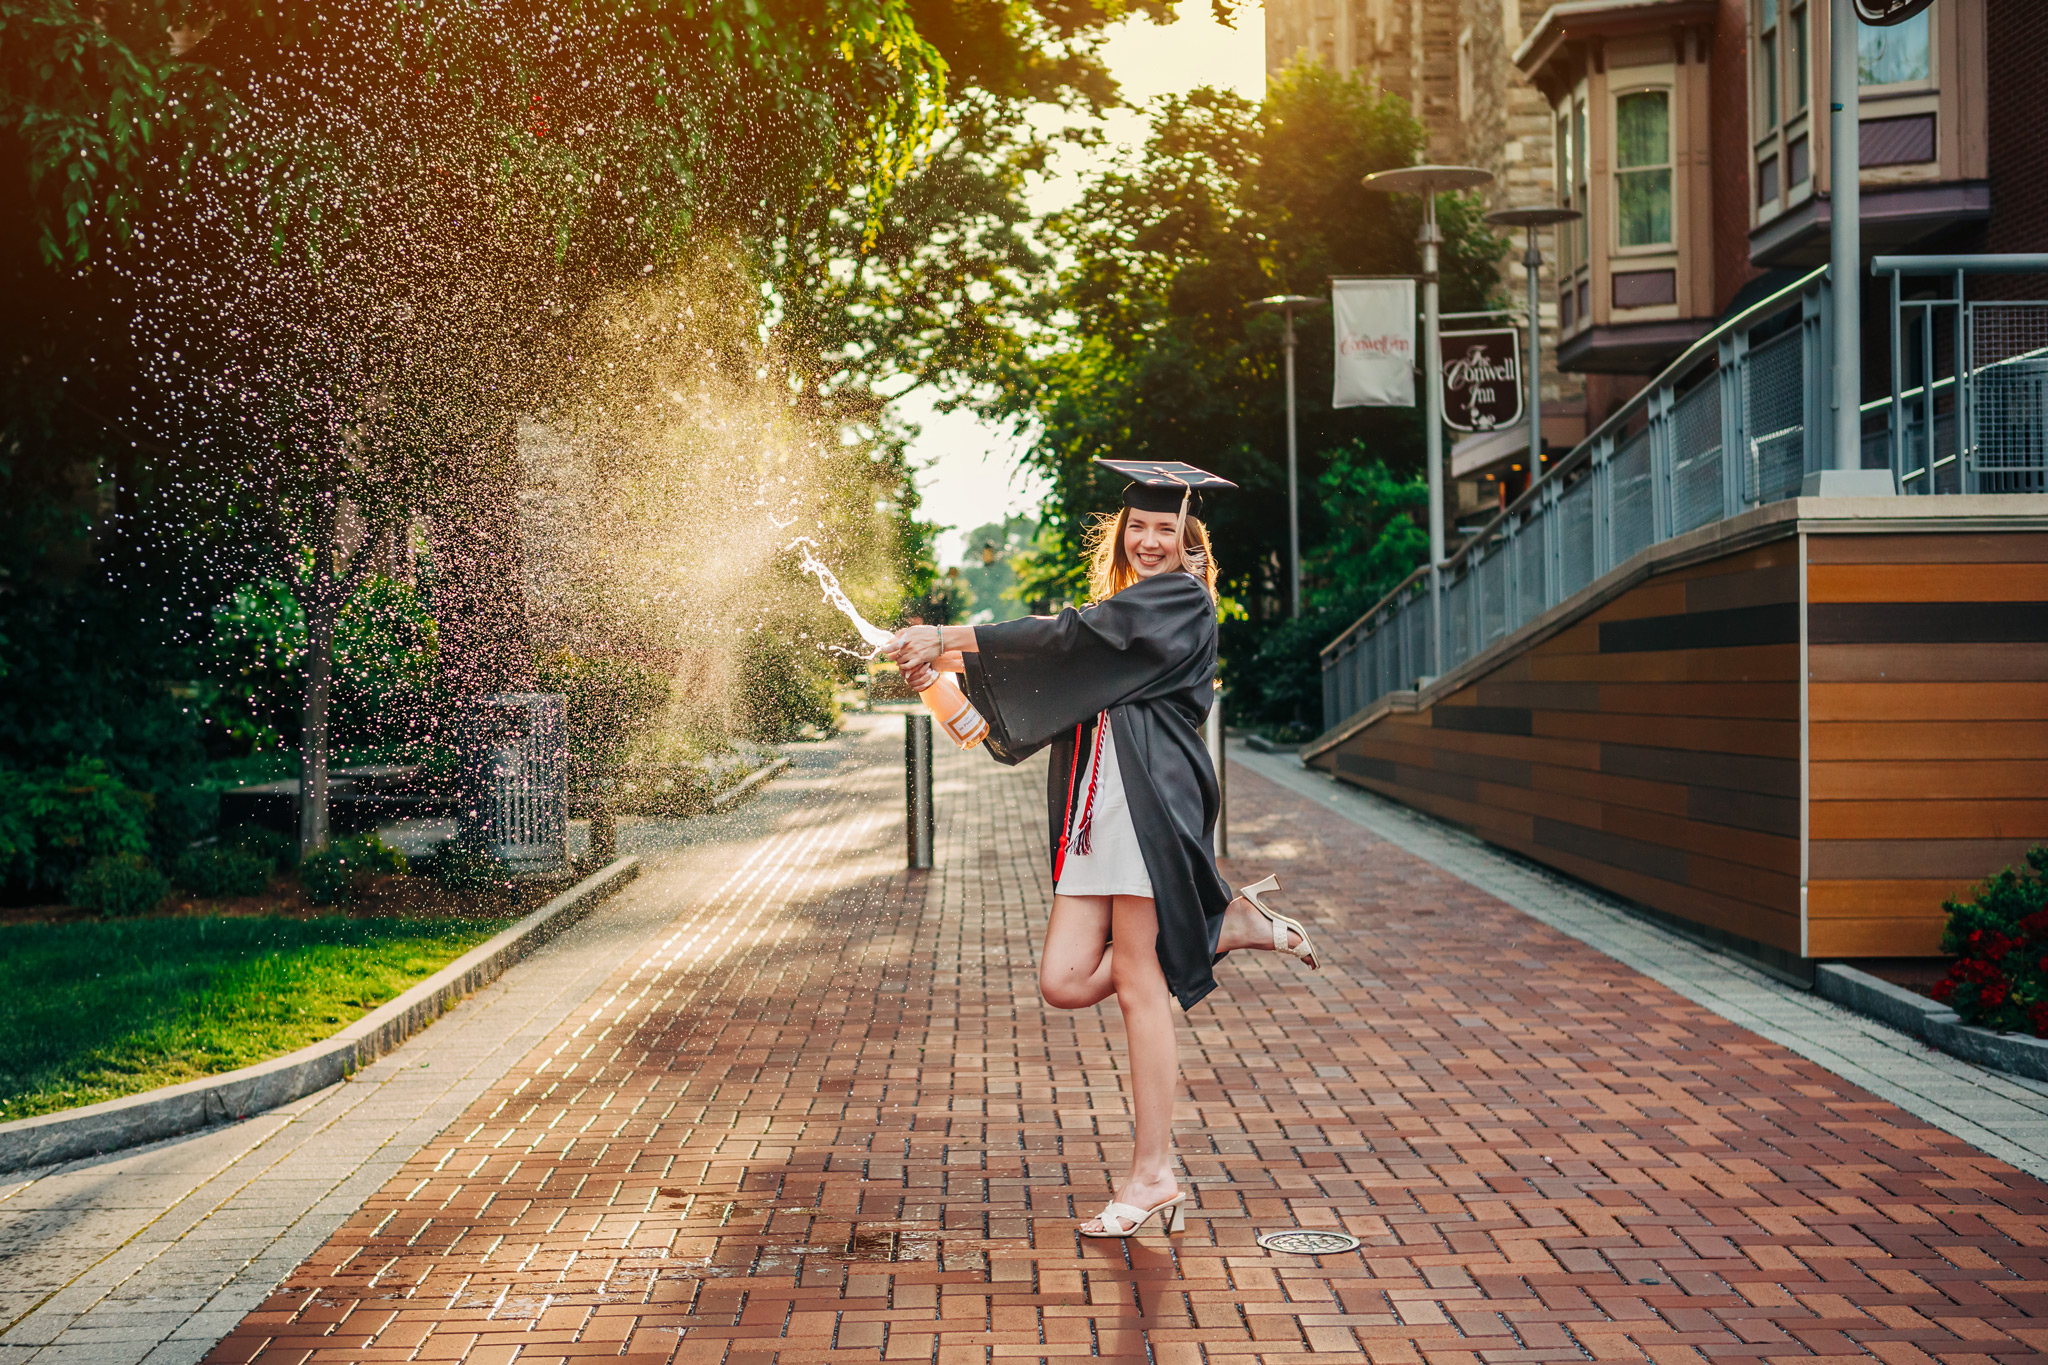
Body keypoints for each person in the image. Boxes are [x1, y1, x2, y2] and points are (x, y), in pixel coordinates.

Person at [882, 459, 1319, 1240]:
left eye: (1168, 530)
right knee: (1063, 977)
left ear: (1190, 545)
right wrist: (930, 669)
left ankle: (1154, 1174)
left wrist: (947, 635)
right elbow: (1038, 676)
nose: (1151, 541)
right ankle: (1225, 926)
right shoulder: (1122, 610)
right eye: (1140, 527)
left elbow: (1071, 638)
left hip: (1147, 804)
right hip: (1096, 810)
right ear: (1123, 533)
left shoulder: (1181, 600)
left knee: (1142, 982)